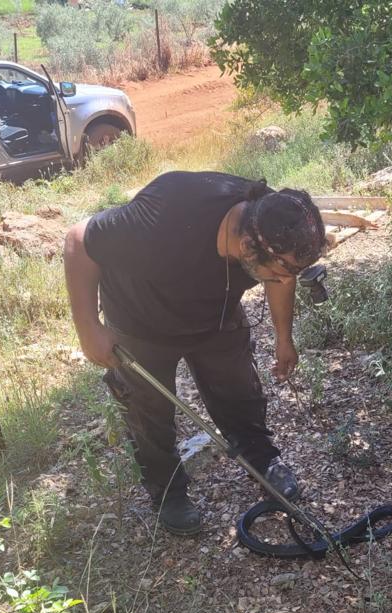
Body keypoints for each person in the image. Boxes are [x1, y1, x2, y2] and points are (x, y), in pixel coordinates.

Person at [63, 170, 328, 536]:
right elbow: (78, 240)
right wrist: (88, 328)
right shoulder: (162, 216)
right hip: (140, 318)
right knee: (149, 411)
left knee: (239, 389)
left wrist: (284, 338)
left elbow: (285, 276)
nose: (285, 280)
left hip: (215, 312)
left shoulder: (272, 216)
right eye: (279, 273)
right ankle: (168, 491)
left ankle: (262, 460)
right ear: (247, 246)